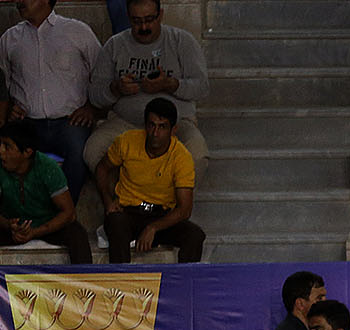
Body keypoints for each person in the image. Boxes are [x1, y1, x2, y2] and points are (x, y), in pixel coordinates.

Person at [84, 0, 209, 183]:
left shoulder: (182, 41)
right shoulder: (114, 45)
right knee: (93, 150)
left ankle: (164, 198)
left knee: (197, 153)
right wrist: (116, 89)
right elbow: (95, 95)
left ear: (160, 15)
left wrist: (170, 84)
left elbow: (202, 87)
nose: (143, 27)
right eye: (137, 21)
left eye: (149, 20)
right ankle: (126, 195)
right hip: (126, 123)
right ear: (128, 18)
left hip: (175, 123)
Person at [0, 0, 102, 199]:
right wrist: (10, 107)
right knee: (9, 151)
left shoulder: (77, 31)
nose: (19, 2)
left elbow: (101, 75)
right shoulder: (9, 39)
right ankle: (22, 210)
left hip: (69, 122)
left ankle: (65, 210)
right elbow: (2, 83)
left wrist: (91, 107)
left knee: (78, 152)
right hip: (27, 122)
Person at [93, 96, 206, 262]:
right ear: (145, 125)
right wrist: (108, 200)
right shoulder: (127, 141)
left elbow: (185, 210)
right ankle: (121, 278)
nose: (155, 133)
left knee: (195, 236)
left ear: (173, 130)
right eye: (152, 125)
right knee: (115, 222)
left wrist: (153, 228)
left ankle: (181, 279)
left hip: (160, 216)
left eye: (162, 127)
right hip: (128, 212)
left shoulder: (182, 157)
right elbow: (102, 168)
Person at [0, 120, 92, 263]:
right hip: (11, 227)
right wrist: (7, 224)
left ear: (27, 152)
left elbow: (69, 213)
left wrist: (35, 232)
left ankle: (85, 277)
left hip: (46, 225)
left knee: (76, 233)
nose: (1, 151)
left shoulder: (48, 168)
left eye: (7, 146)